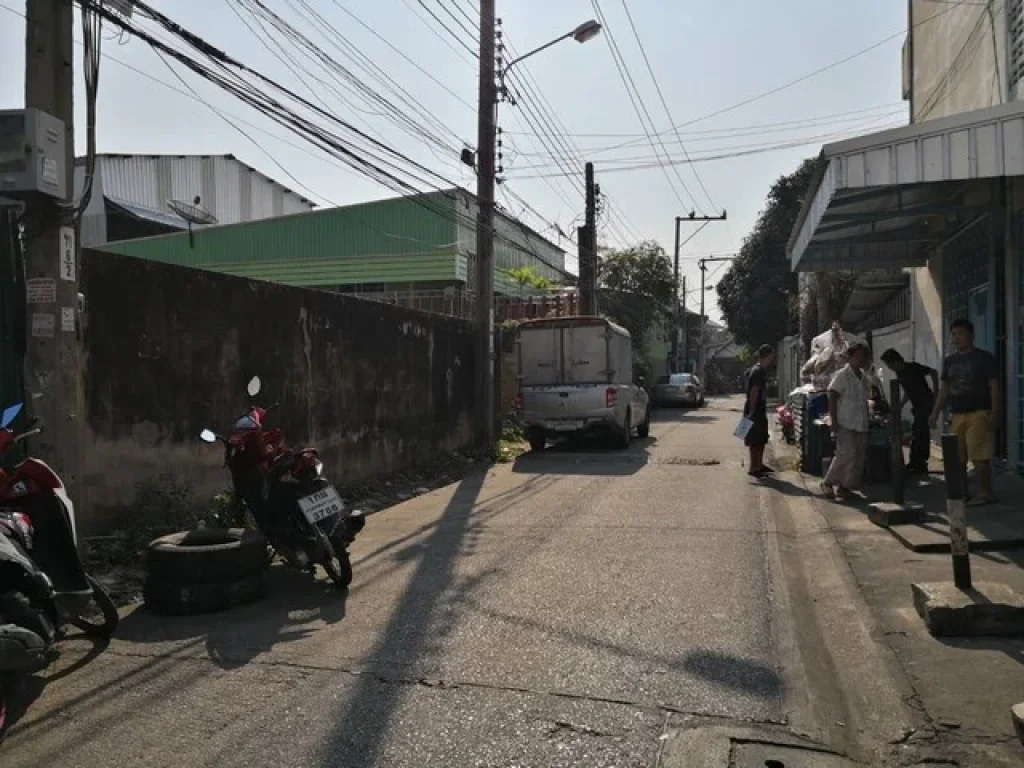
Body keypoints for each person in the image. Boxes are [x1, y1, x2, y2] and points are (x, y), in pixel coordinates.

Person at [929, 318, 1001, 505]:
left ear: (971, 335)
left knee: (979, 456)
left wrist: (995, 412)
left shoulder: (984, 358)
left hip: (978, 412)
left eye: (960, 334)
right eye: (953, 335)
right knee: (957, 457)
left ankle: (986, 492)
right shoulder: (950, 361)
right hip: (957, 413)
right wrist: (935, 413)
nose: (956, 338)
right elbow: (944, 390)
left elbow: (994, 386)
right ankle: (962, 492)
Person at [822, 342, 871, 500]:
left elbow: (868, 397)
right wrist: (833, 420)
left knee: (858, 457)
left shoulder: (864, 377)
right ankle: (828, 483)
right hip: (845, 421)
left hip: (861, 421)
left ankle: (844, 487)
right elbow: (832, 395)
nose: (860, 359)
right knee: (845, 454)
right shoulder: (842, 375)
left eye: (862, 356)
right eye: (857, 356)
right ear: (850, 358)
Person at [879, 349, 938, 474]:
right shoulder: (899, 373)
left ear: (896, 361)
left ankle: (920, 464)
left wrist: (936, 392)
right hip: (917, 405)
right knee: (917, 433)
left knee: (920, 433)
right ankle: (915, 463)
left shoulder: (912, 367)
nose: (889, 368)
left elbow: (933, 372)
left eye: (889, 364)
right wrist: (900, 405)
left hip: (925, 403)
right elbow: (908, 390)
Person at [744, 344, 776, 477]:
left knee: (761, 438)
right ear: (767, 356)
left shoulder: (761, 371)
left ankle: (759, 464)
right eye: (771, 357)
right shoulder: (757, 371)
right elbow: (754, 391)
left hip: (759, 410)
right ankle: (753, 467)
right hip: (755, 410)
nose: (772, 360)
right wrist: (751, 411)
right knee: (755, 440)